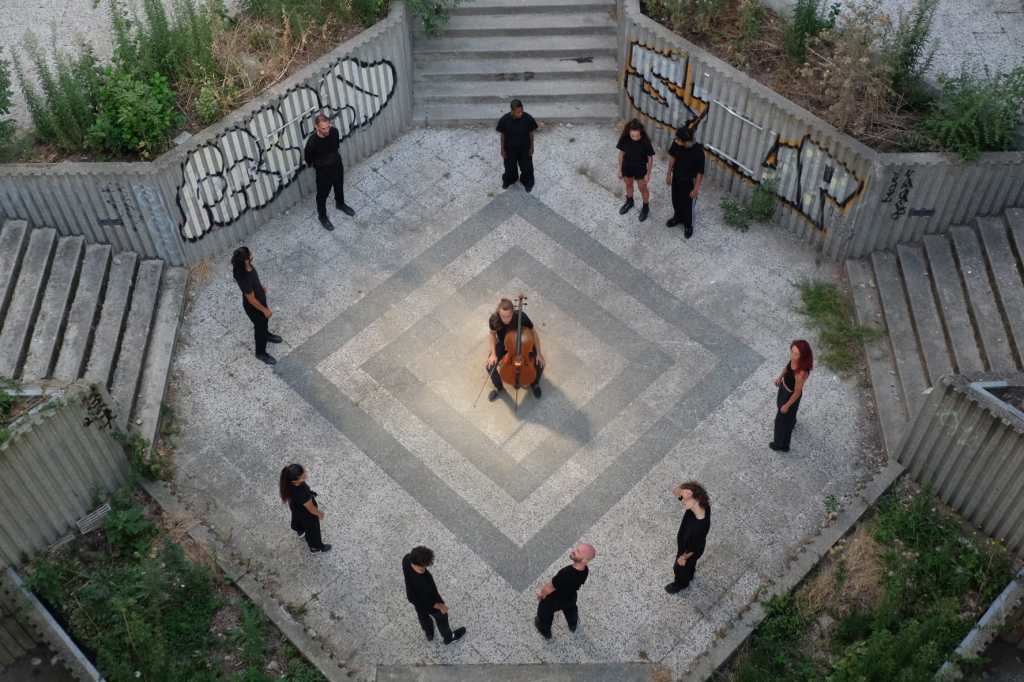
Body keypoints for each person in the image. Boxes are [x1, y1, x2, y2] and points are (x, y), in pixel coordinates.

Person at [402, 546, 467, 644]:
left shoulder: (406, 559)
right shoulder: (423, 581)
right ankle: (449, 638)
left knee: (422, 615)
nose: (427, 566)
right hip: (430, 604)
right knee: (442, 619)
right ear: (421, 565)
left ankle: (429, 633)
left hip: (413, 597)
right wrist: (441, 606)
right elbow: (429, 601)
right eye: (426, 564)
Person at [486, 297, 545, 401]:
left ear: (513, 312)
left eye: (508, 316)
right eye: (503, 316)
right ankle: (498, 387)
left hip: (522, 343)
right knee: (490, 367)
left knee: (540, 363)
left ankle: (534, 384)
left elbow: (533, 333)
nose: (506, 320)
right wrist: (493, 354)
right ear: (498, 312)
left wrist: (539, 353)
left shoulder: (521, 316)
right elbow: (492, 334)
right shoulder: (494, 319)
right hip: (505, 344)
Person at [304, 112, 355, 231]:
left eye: (328, 127)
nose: (327, 130)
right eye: (323, 128)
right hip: (323, 172)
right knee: (322, 195)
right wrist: (321, 164)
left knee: (339, 186)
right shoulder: (312, 143)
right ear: (316, 127)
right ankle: (322, 217)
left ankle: (340, 204)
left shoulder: (334, 132)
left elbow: (336, 146)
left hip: (337, 165)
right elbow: (308, 160)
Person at [231, 246, 281, 366]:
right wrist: (265, 310)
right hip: (254, 307)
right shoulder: (244, 276)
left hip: (260, 299)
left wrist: (260, 286)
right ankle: (260, 353)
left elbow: (254, 280)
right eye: (250, 253)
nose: (252, 253)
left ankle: (266, 334)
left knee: (264, 324)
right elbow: (251, 299)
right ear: (246, 260)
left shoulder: (246, 267)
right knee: (260, 328)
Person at [534, 543, 596, 639]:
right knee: (571, 609)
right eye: (576, 548)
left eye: (578, 551)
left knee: (544, 613)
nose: (573, 551)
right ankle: (573, 624)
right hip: (570, 597)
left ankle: (544, 630)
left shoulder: (566, 573)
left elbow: (550, 587)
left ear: (584, 560)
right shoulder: (585, 570)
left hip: (554, 600)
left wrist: (541, 594)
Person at [665, 481, 711, 594]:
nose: (682, 501)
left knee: (679, 569)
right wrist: (684, 490)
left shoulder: (699, 526)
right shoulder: (699, 506)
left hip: (688, 551)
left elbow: (695, 547)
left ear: (694, 498)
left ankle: (680, 584)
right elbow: (676, 492)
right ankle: (690, 574)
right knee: (690, 566)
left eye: (684, 499)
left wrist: (683, 557)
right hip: (689, 546)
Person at [279, 464, 332, 553]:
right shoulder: (301, 494)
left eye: (304, 472)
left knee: (297, 517)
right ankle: (315, 547)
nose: (306, 476)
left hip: (296, 506)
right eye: (303, 477)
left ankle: (300, 530)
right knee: (313, 530)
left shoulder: (288, 483)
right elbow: (311, 509)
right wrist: (319, 513)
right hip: (306, 513)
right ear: (294, 481)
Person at [771, 340, 813, 452]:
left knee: (780, 421)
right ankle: (791, 421)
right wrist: (780, 378)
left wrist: (787, 405)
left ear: (802, 355)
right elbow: (787, 368)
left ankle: (781, 445)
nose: (793, 356)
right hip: (784, 389)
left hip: (790, 395)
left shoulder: (801, 373)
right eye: (792, 352)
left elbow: (797, 392)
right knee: (788, 417)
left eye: (796, 354)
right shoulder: (794, 360)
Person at [665, 126, 705, 239]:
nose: (676, 141)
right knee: (676, 200)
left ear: (686, 141)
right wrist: (668, 174)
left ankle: (688, 225)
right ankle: (677, 217)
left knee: (688, 206)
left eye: (678, 140)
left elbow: (700, 173)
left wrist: (696, 189)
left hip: (689, 183)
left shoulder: (698, 152)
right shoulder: (677, 143)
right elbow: (673, 157)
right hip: (677, 178)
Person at [617, 119, 656, 222]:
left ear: (641, 132)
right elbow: (621, 154)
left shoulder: (645, 141)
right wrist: (620, 169)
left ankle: (646, 207)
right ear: (629, 132)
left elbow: (650, 158)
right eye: (632, 136)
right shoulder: (625, 138)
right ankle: (629, 202)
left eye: (637, 136)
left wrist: (648, 173)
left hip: (640, 168)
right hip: (627, 166)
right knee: (628, 185)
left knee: (642, 188)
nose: (634, 138)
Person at [496, 99, 538, 192]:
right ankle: (510, 180)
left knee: (527, 167)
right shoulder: (505, 120)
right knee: (509, 167)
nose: (521, 113)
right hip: (510, 149)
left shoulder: (528, 118)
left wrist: (532, 147)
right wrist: (502, 149)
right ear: (512, 111)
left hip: (524, 149)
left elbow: (531, 134)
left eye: (521, 110)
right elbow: (503, 135)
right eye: (518, 112)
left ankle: (527, 182)